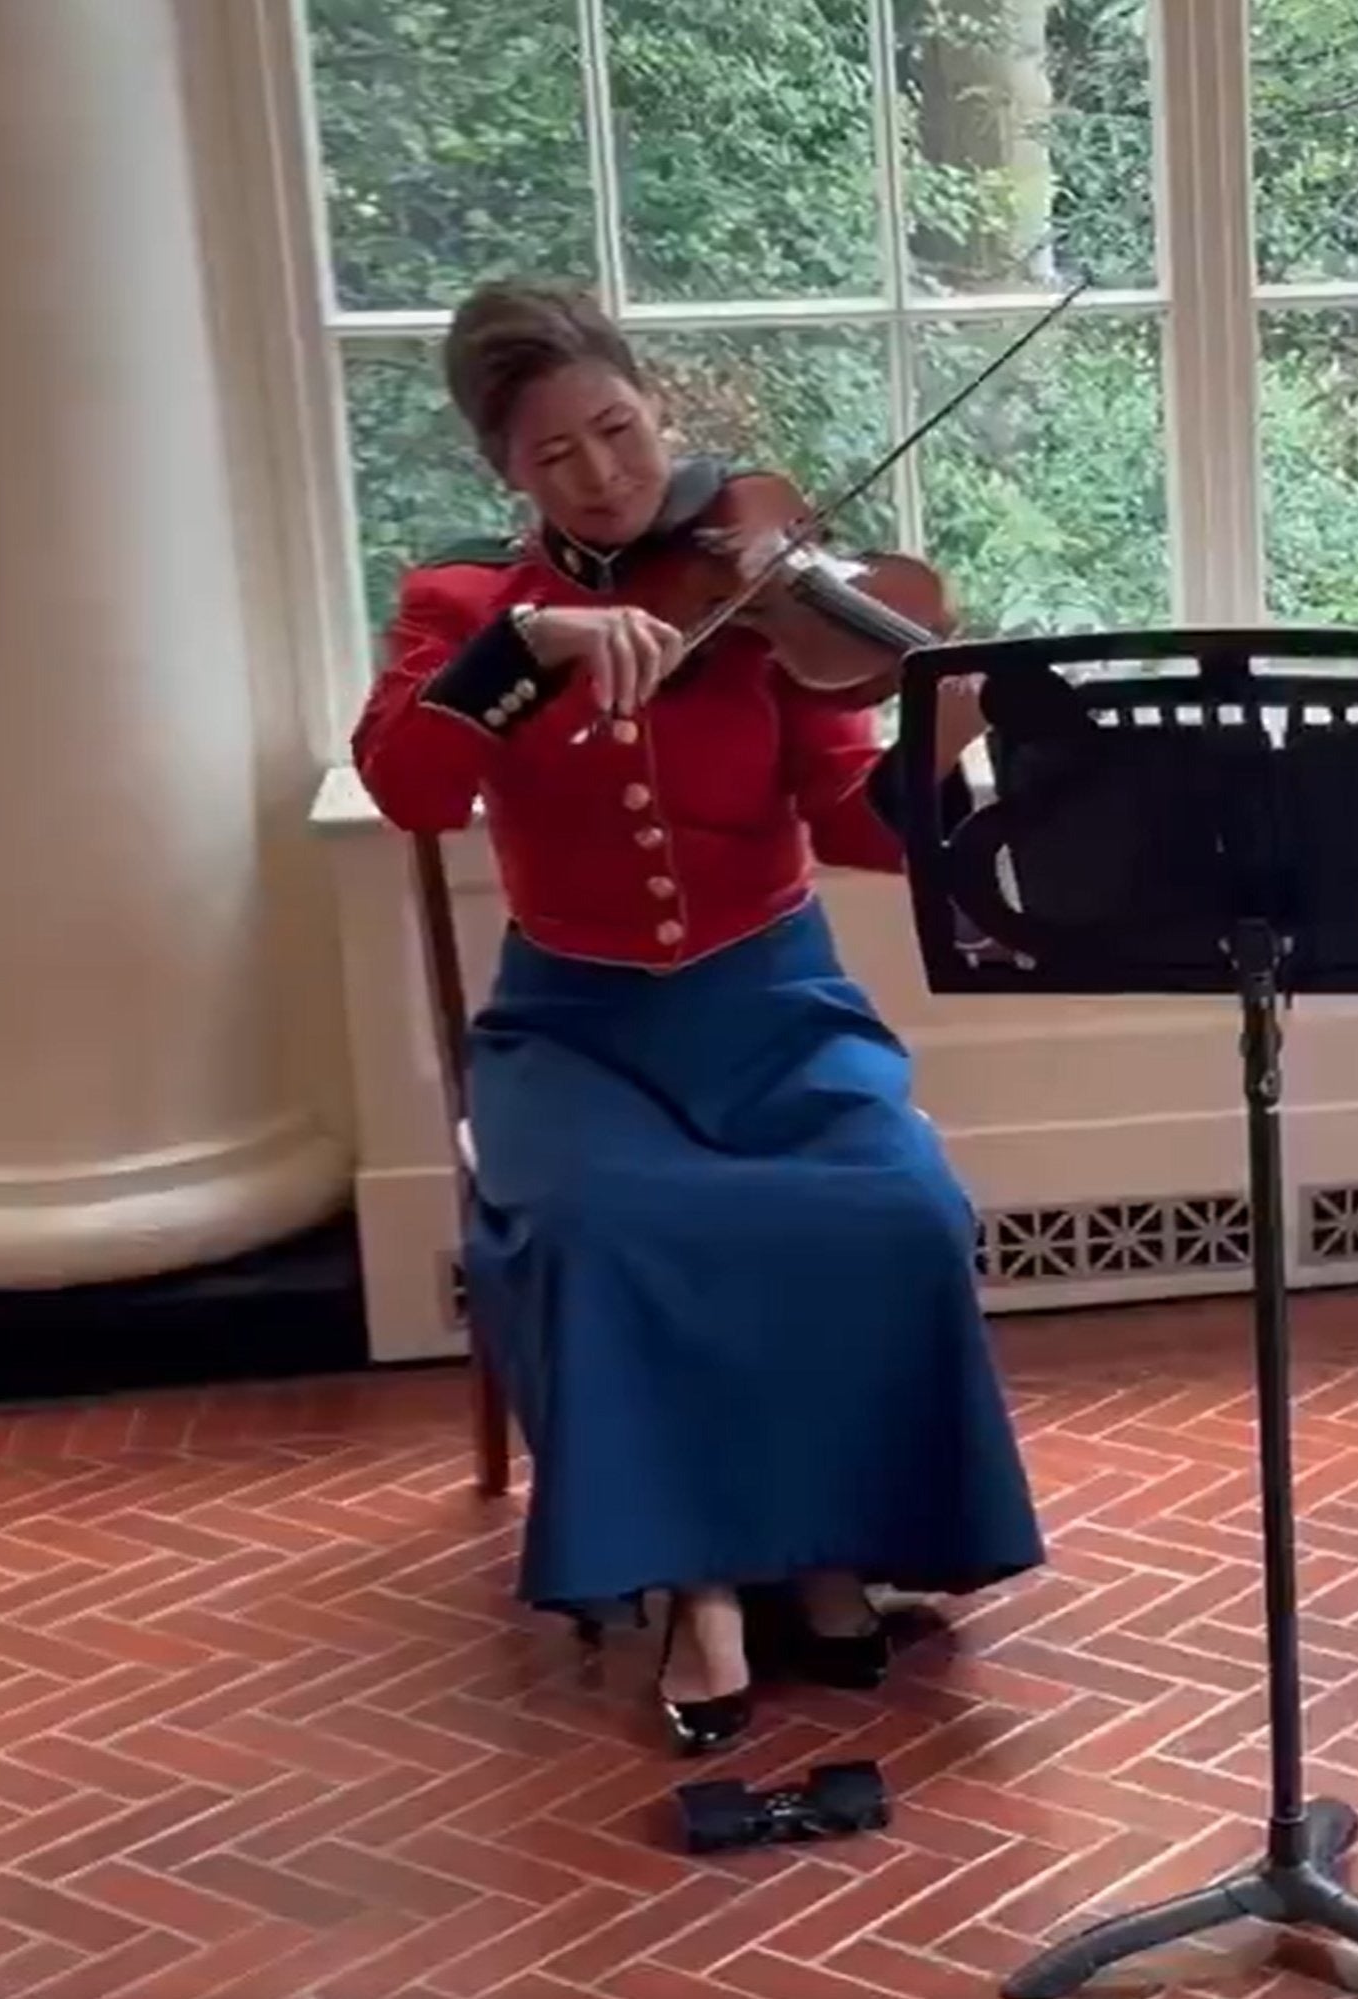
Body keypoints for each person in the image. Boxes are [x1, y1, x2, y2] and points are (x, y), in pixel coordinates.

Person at [349, 280, 1044, 1757]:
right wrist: (528, 652)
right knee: (607, 1232)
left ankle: (835, 1548)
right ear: (507, 476)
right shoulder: (464, 605)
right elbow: (412, 787)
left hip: (776, 1001)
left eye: (616, 429)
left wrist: (947, 754)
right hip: (573, 1028)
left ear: (654, 405)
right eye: (556, 458)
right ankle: (702, 1586)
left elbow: (849, 818)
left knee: (895, 1206)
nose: (601, 473)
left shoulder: (761, 584)